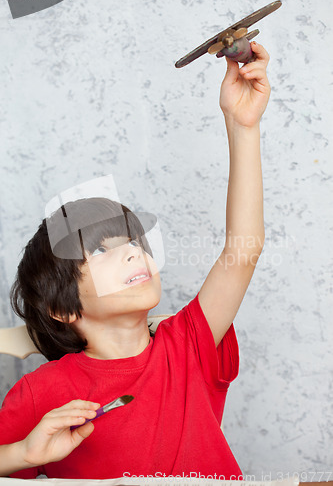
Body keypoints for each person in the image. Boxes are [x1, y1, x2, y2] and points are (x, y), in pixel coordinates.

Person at [0, 41, 270, 479]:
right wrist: (24, 455)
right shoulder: (38, 393)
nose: (132, 250)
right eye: (103, 249)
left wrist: (243, 125)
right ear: (63, 307)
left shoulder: (189, 345)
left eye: (134, 241)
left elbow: (245, 249)